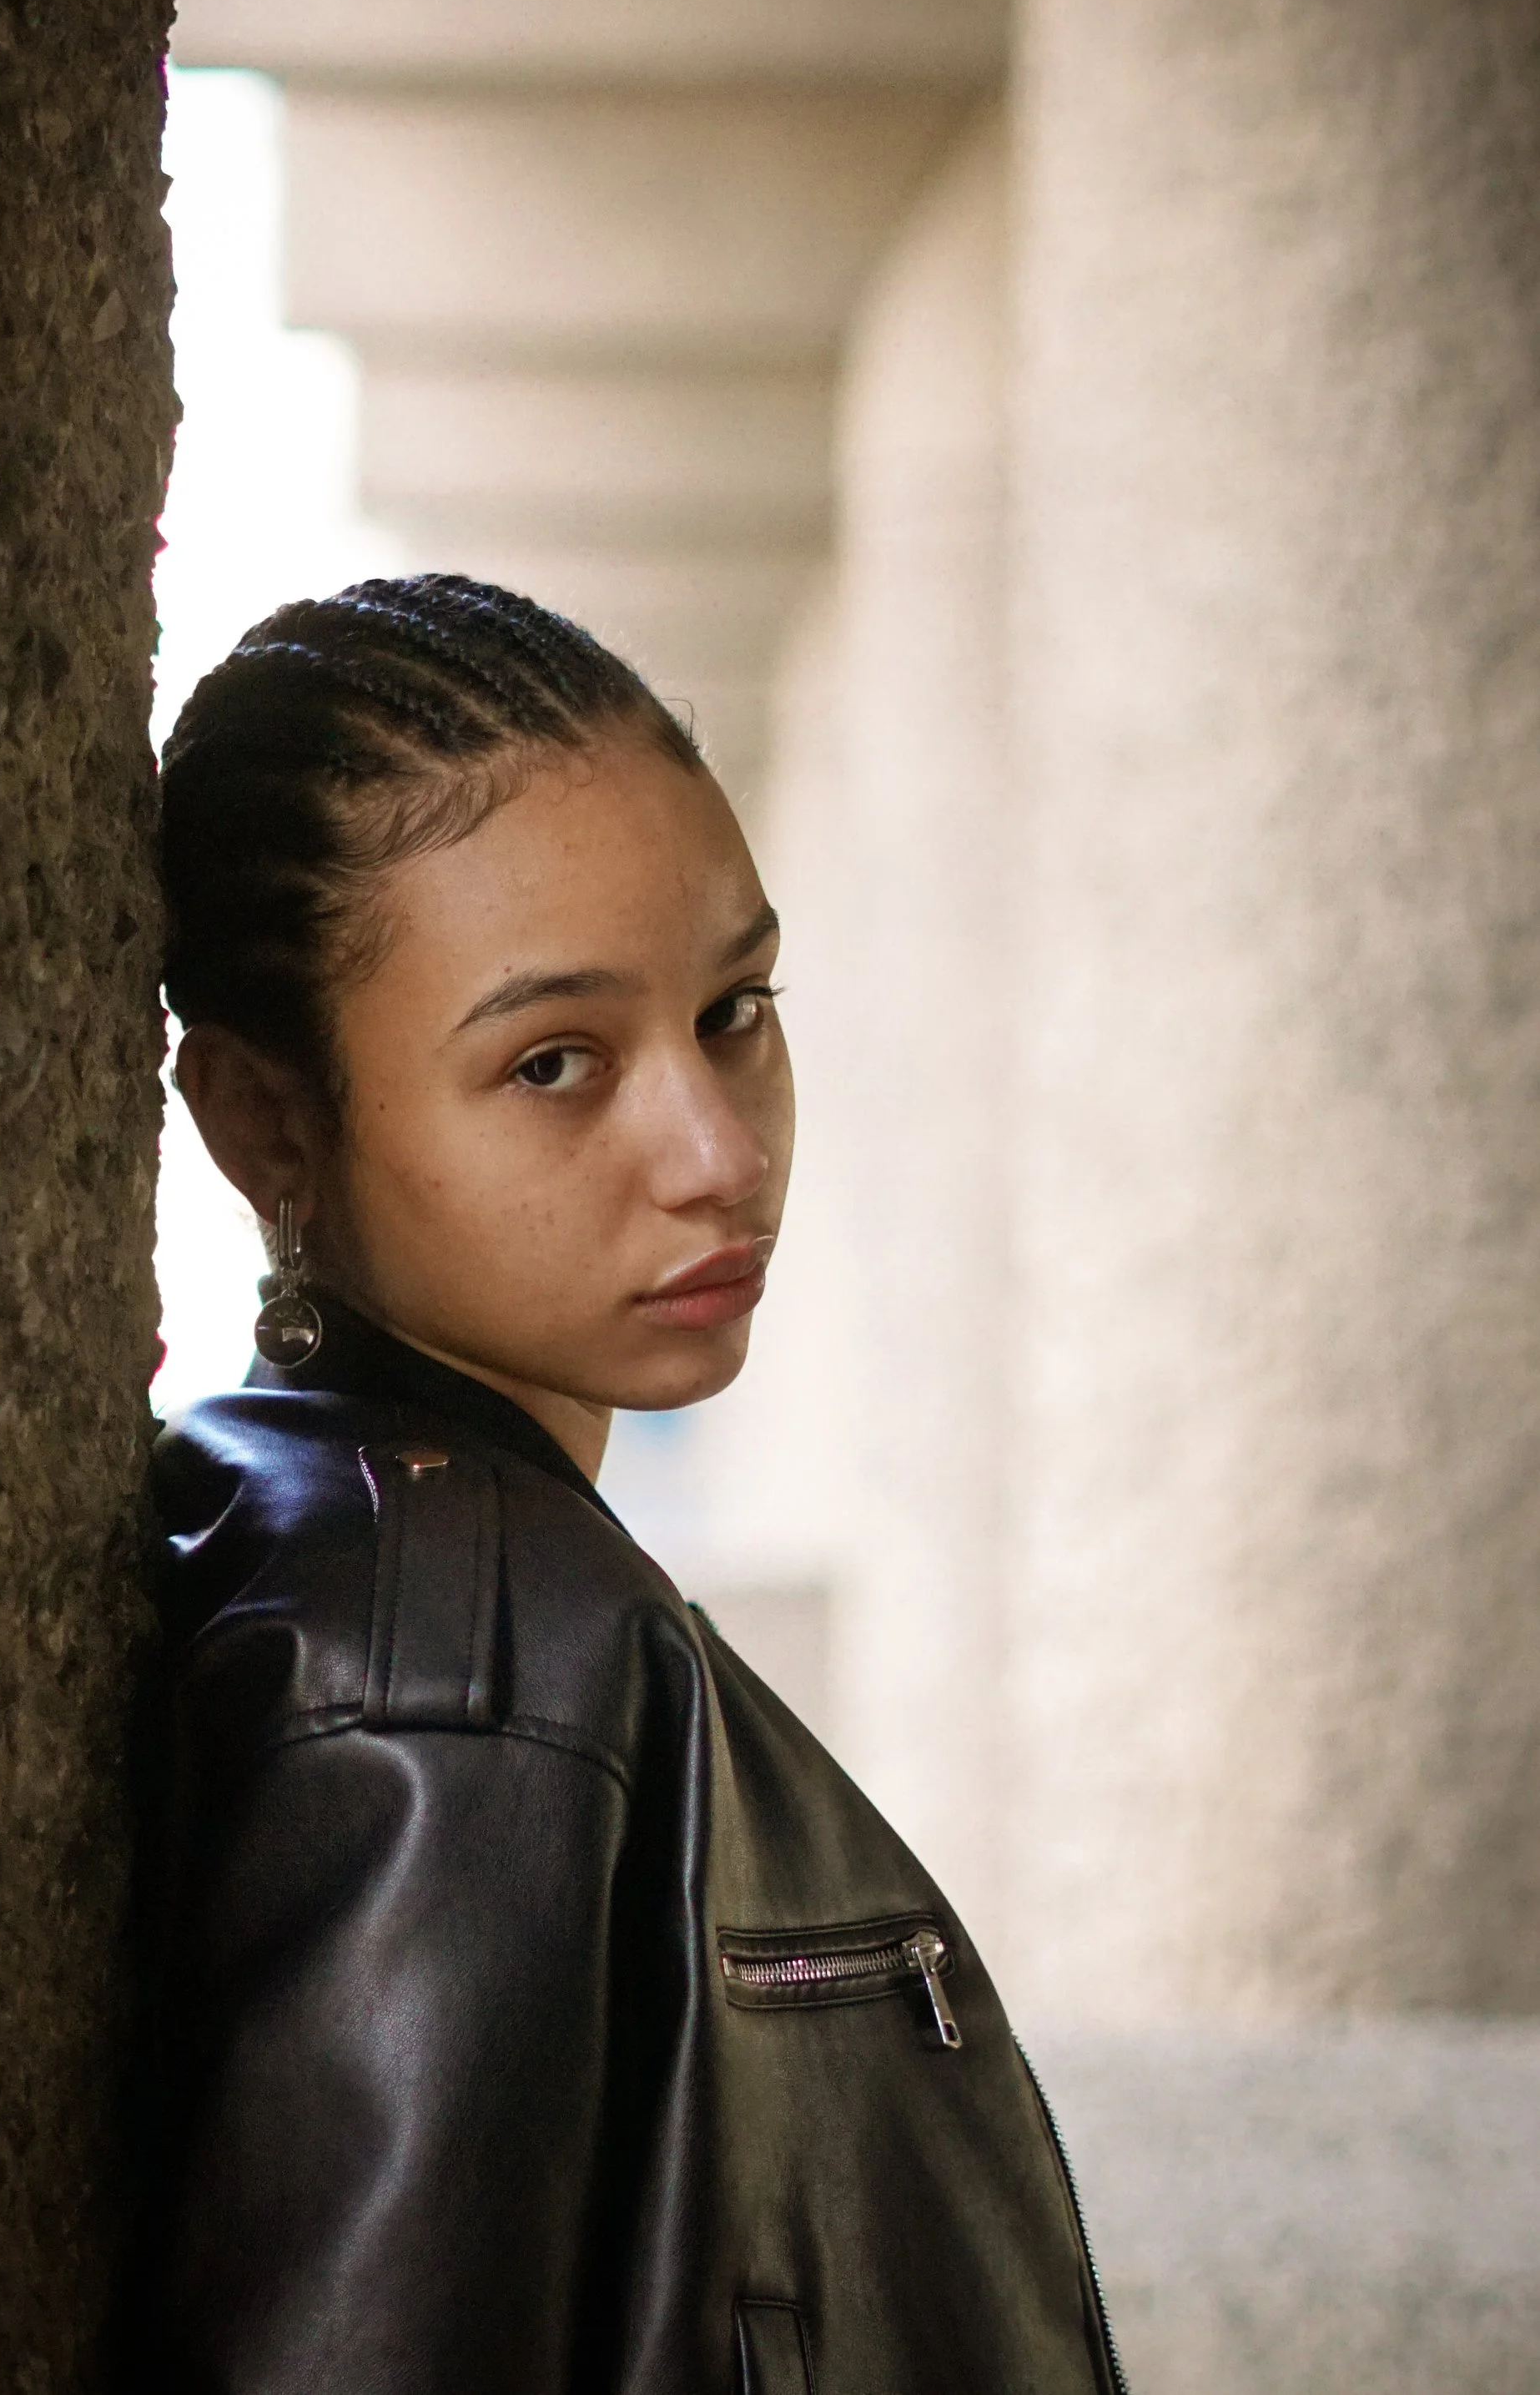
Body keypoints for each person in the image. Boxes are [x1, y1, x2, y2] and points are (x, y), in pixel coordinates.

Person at [140, 574, 1125, 2395]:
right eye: (553, 1063)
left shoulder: (368, 1547)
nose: (716, 1148)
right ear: (266, 1125)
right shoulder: (450, 1693)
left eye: (735, 1006)